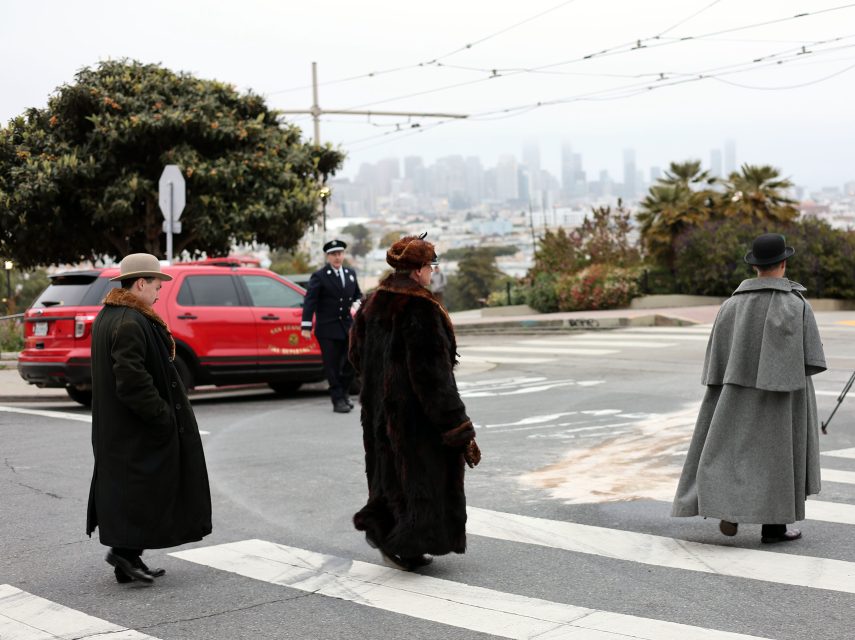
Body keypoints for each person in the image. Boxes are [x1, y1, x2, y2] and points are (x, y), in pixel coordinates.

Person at [672, 233, 826, 543]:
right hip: (784, 398)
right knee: (780, 455)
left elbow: (715, 363)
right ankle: (775, 528)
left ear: (755, 266)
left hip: (735, 394)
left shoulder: (731, 306)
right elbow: (812, 361)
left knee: (731, 449)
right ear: (783, 264)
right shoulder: (796, 305)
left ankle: (730, 509)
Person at [349, 234, 481, 571]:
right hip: (415, 418)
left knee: (387, 476)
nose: (432, 272)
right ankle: (409, 542)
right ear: (419, 269)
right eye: (430, 265)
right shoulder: (421, 308)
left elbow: (354, 357)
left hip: (379, 412)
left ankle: (389, 535)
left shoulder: (371, 303)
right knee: (420, 480)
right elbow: (432, 378)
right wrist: (458, 429)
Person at [87, 253, 212, 584]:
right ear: (140, 283)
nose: (159, 293)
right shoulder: (129, 321)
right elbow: (131, 381)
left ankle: (126, 560)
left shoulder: (111, 316)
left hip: (120, 429)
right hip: (134, 428)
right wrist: (162, 417)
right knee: (142, 489)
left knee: (132, 490)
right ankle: (125, 554)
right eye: (156, 286)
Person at [301, 239, 363, 413]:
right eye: (333, 254)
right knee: (332, 366)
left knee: (350, 362)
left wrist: (357, 304)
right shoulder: (319, 276)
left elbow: (357, 294)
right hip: (327, 328)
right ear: (328, 257)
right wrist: (306, 326)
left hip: (346, 326)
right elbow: (310, 301)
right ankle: (337, 400)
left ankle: (343, 393)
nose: (337, 257)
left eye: (340, 253)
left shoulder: (350, 273)